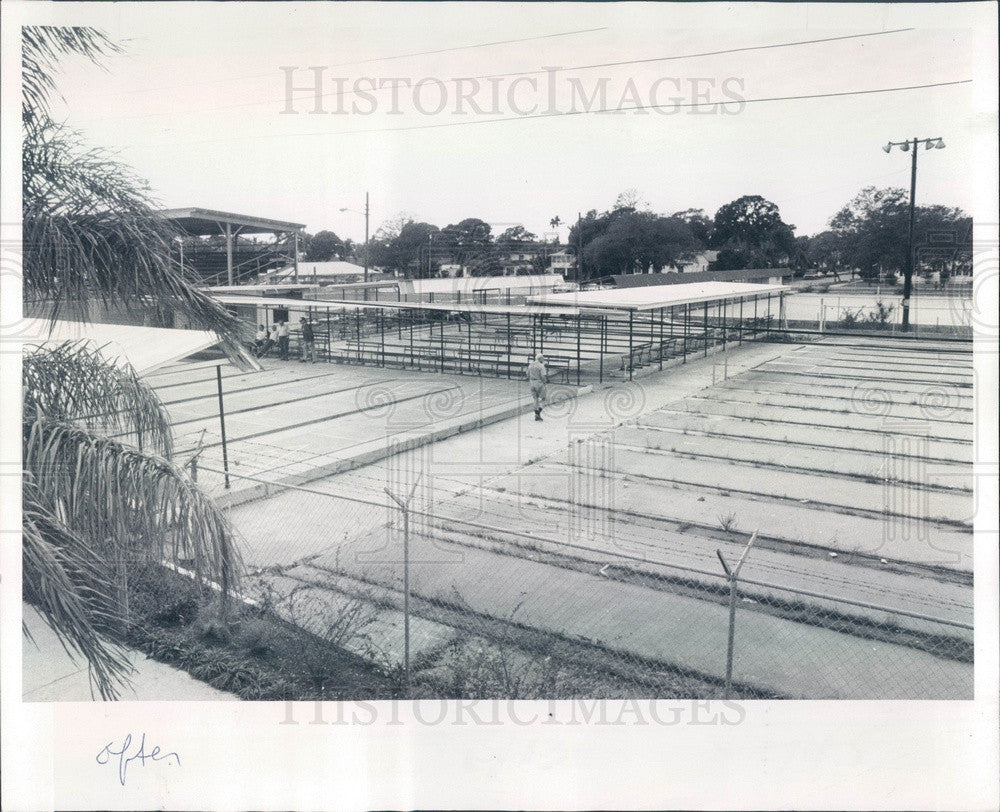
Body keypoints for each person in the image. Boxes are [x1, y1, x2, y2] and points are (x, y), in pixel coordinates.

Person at [526, 353, 547, 421]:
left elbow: (527, 374)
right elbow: (543, 376)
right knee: (543, 398)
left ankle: (536, 413)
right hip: (539, 382)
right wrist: (544, 382)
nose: (543, 359)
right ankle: (538, 412)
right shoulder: (541, 366)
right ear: (540, 358)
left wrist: (530, 379)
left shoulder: (531, 364)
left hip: (532, 382)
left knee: (535, 399)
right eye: (543, 358)